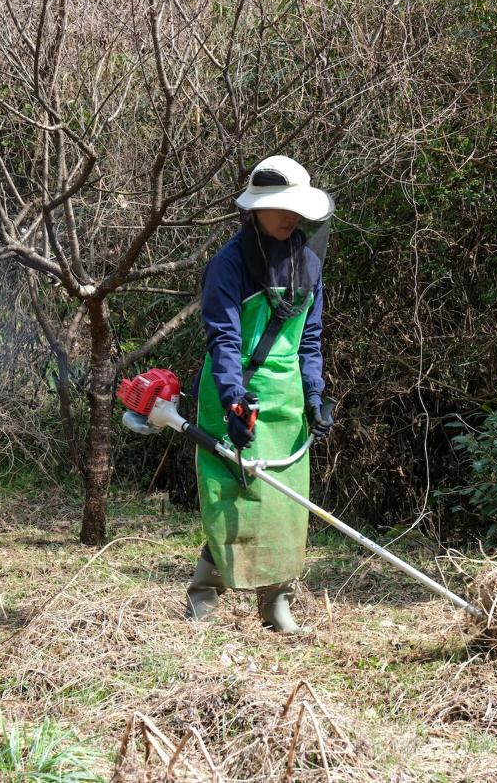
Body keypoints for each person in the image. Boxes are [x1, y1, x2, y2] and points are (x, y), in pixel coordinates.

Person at [185, 155, 336, 634]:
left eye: (295, 208)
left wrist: (314, 392)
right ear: (256, 209)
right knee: (231, 496)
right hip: (234, 391)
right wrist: (234, 397)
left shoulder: (308, 262)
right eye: (279, 207)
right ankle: (203, 599)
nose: (289, 217)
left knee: (285, 503)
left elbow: (309, 338)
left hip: (286, 399)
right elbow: (223, 339)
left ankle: (276, 605)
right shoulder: (229, 265)